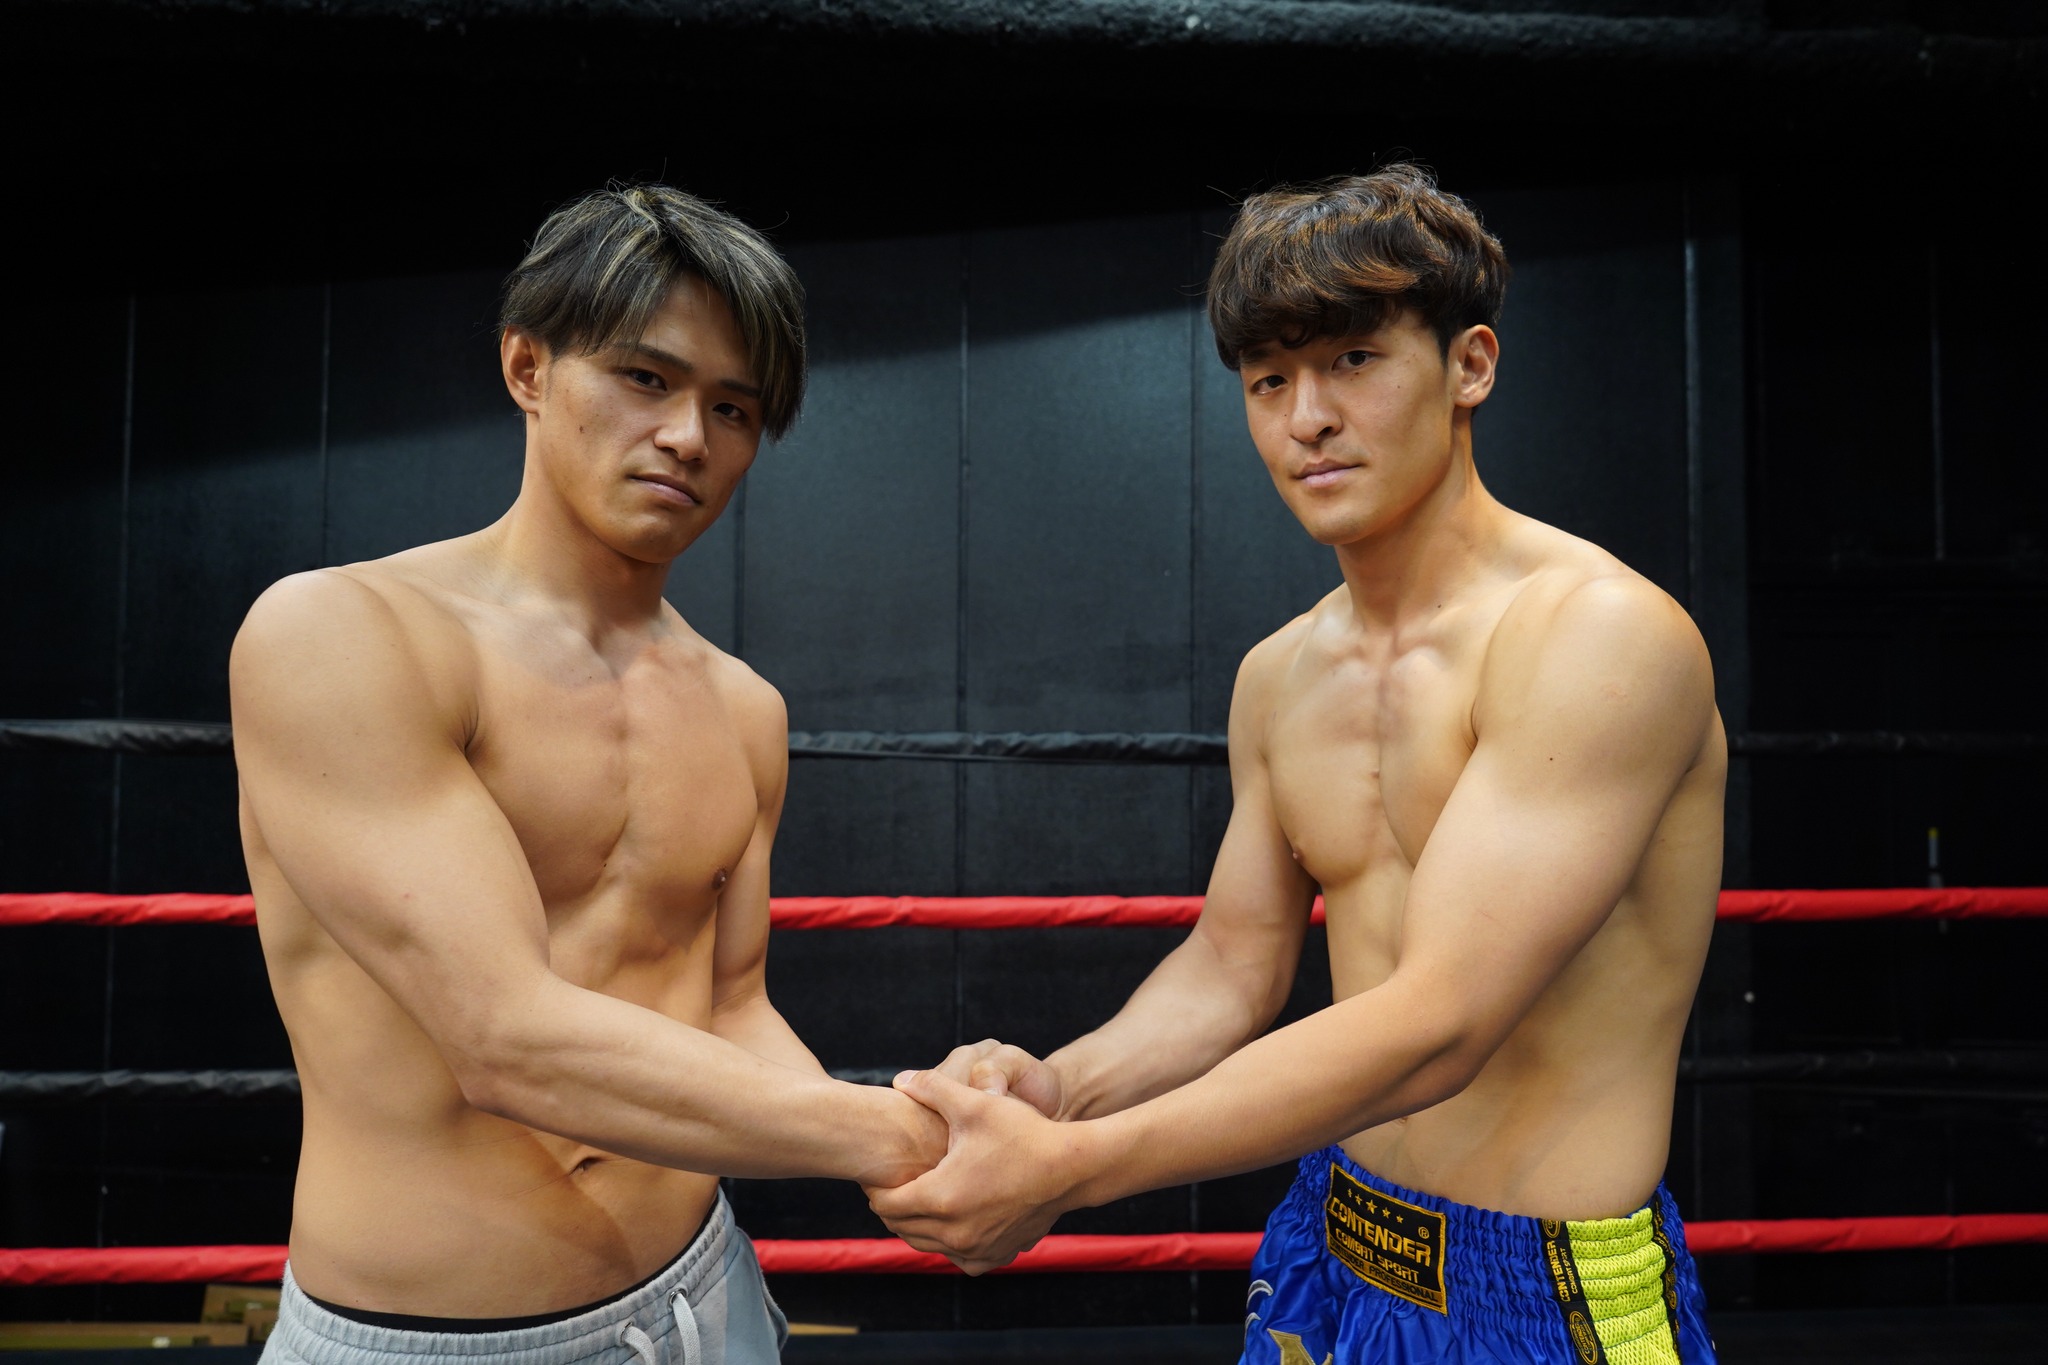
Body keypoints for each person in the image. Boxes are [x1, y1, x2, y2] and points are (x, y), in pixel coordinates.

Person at [870, 165, 1724, 1364]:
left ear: (1469, 365)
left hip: (1536, 1291)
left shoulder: (1596, 637)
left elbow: (1443, 1022)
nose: (1305, 417)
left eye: (1352, 361)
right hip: (1334, 1240)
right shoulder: (1280, 673)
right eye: (1268, 379)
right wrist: (1057, 1093)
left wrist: (1071, 1169)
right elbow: (1230, 967)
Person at [230, 185, 941, 1365]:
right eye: (645, 379)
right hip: (431, 1338)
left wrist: (929, 1158)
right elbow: (502, 1036)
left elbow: (731, 1007)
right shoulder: (347, 636)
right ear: (528, 367)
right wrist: (889, 1135)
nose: (688, 437)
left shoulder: (744, 710)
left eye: (732, 408)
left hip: (702, 1295)